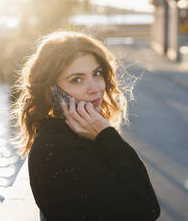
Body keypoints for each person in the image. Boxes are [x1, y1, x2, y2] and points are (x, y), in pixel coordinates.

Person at [12, 31, 161, 221]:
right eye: (77, 79)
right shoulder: (57, 149)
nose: (95, 88)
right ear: (52, 90)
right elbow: (145, 209)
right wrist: (107, 136)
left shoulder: (76, 135)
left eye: (97, 74)